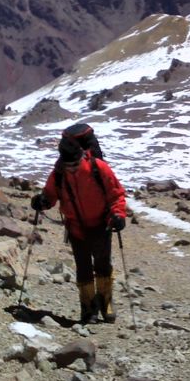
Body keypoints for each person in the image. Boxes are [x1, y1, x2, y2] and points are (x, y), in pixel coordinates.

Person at [31, 124, 127, 324]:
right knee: (83, 267)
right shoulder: (59, 172)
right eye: (69, 166)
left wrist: (118, 215)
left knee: (102, 264)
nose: (72, 169)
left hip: (102, 224)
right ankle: (88, 309)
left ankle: (105, 302)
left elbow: (116, 194)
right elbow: (50, 195)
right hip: (76, 227)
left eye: (75, 164)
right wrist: (42, 202)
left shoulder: (98, 168)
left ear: (82, 155)